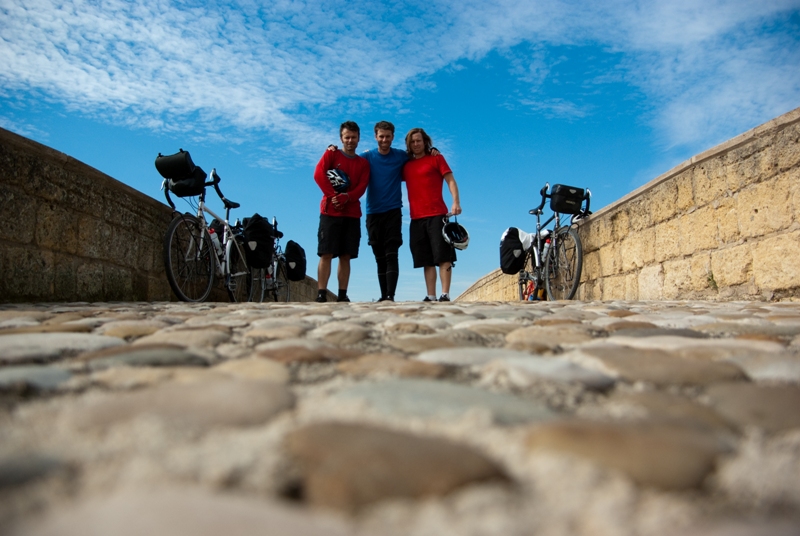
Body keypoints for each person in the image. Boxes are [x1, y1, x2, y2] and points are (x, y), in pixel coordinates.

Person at [402, 127, 462, 302]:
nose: (416, 144)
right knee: (426, 260)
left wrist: (456, 202)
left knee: (443, 256)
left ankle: (445, 294)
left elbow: (450, 180)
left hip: (437, 215)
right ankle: (431, 295)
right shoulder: (406, 165)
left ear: (425, 141)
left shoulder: (436, 158)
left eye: (418, 140)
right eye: (412, 142)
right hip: (416, 218)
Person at [313, 121, 370, 302]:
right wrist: (333, 196)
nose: (350, 140)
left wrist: (348, 197)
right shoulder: (331, 154)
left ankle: (342, 295)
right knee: (326, 253)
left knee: (346, 256)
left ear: (359, 139)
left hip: (352, 214)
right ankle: (321, 293)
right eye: (347, 137)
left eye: (353, 137)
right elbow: (318, 174)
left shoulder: (363, 163)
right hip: (330, 213)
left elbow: (362, 186)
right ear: (341, 138)